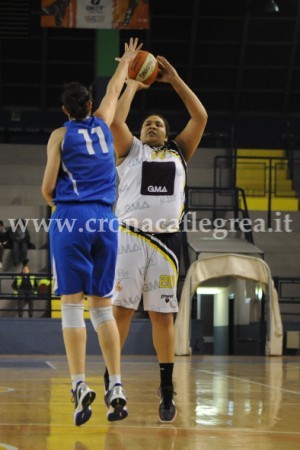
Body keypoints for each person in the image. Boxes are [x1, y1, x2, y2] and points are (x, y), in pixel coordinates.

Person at [41, 37, 141, 426]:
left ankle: (80, 384)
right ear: (90, 105)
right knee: (103, 310)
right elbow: (115, 88)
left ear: (65, 110)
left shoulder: (60, 136)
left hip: (71, 218)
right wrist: (128, 61)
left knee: (71, 306)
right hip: (107, 221)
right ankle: (116, 384)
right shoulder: (103, 122)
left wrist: (55, 202)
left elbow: (48, 188)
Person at [106, 55, 207, 422]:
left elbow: (200, 117)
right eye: (147, 122)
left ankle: (166, 389)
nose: (152, 125)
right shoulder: (130, 150)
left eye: (158, 123)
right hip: (129, 239)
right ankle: (113, 382)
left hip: (166, 244)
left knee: (164, 318)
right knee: (122, 312)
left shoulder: (179, 151)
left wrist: (176, 79)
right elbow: (116, 120)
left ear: (166, 133)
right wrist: (133, 83)